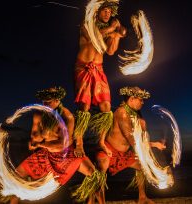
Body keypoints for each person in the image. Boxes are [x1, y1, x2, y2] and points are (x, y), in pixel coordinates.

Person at [7, 87, 105, 204]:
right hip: (47, 153)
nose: (45, 104)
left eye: (48, 101)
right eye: (44, 101)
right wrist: (33, 141)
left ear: (57, 100)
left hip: (67, 155)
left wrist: (40, 143)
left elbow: (62, 145)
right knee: (17, 174)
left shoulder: (66, 116)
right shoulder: (39, 115)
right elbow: (35, 135)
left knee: (95, 177)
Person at [73, 0, 127, 158]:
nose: (107, 14)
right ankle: (79, 143)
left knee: (106, 107)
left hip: (99, 70)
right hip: (83, 68)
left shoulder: (108, 31)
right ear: (97, 11)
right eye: (105, 11)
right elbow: (93, 37)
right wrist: (112, 28)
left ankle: (101, 141)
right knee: (84, 106)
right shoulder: (87, 25)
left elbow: (110, 51)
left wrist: (117, 35)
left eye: (110, 12)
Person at [96, 87, 166, 204]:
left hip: (124, 153)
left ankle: (142, 197)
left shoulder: (138, 117)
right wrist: (154, 144)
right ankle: (100, 201)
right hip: (108, 150)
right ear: (132, 99)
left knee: (142, 166)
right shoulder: (122, 113)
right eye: (140, 100)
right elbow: (131, 139)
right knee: (102, 167)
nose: (143, 102)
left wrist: (145, 130)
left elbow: (141, 139)